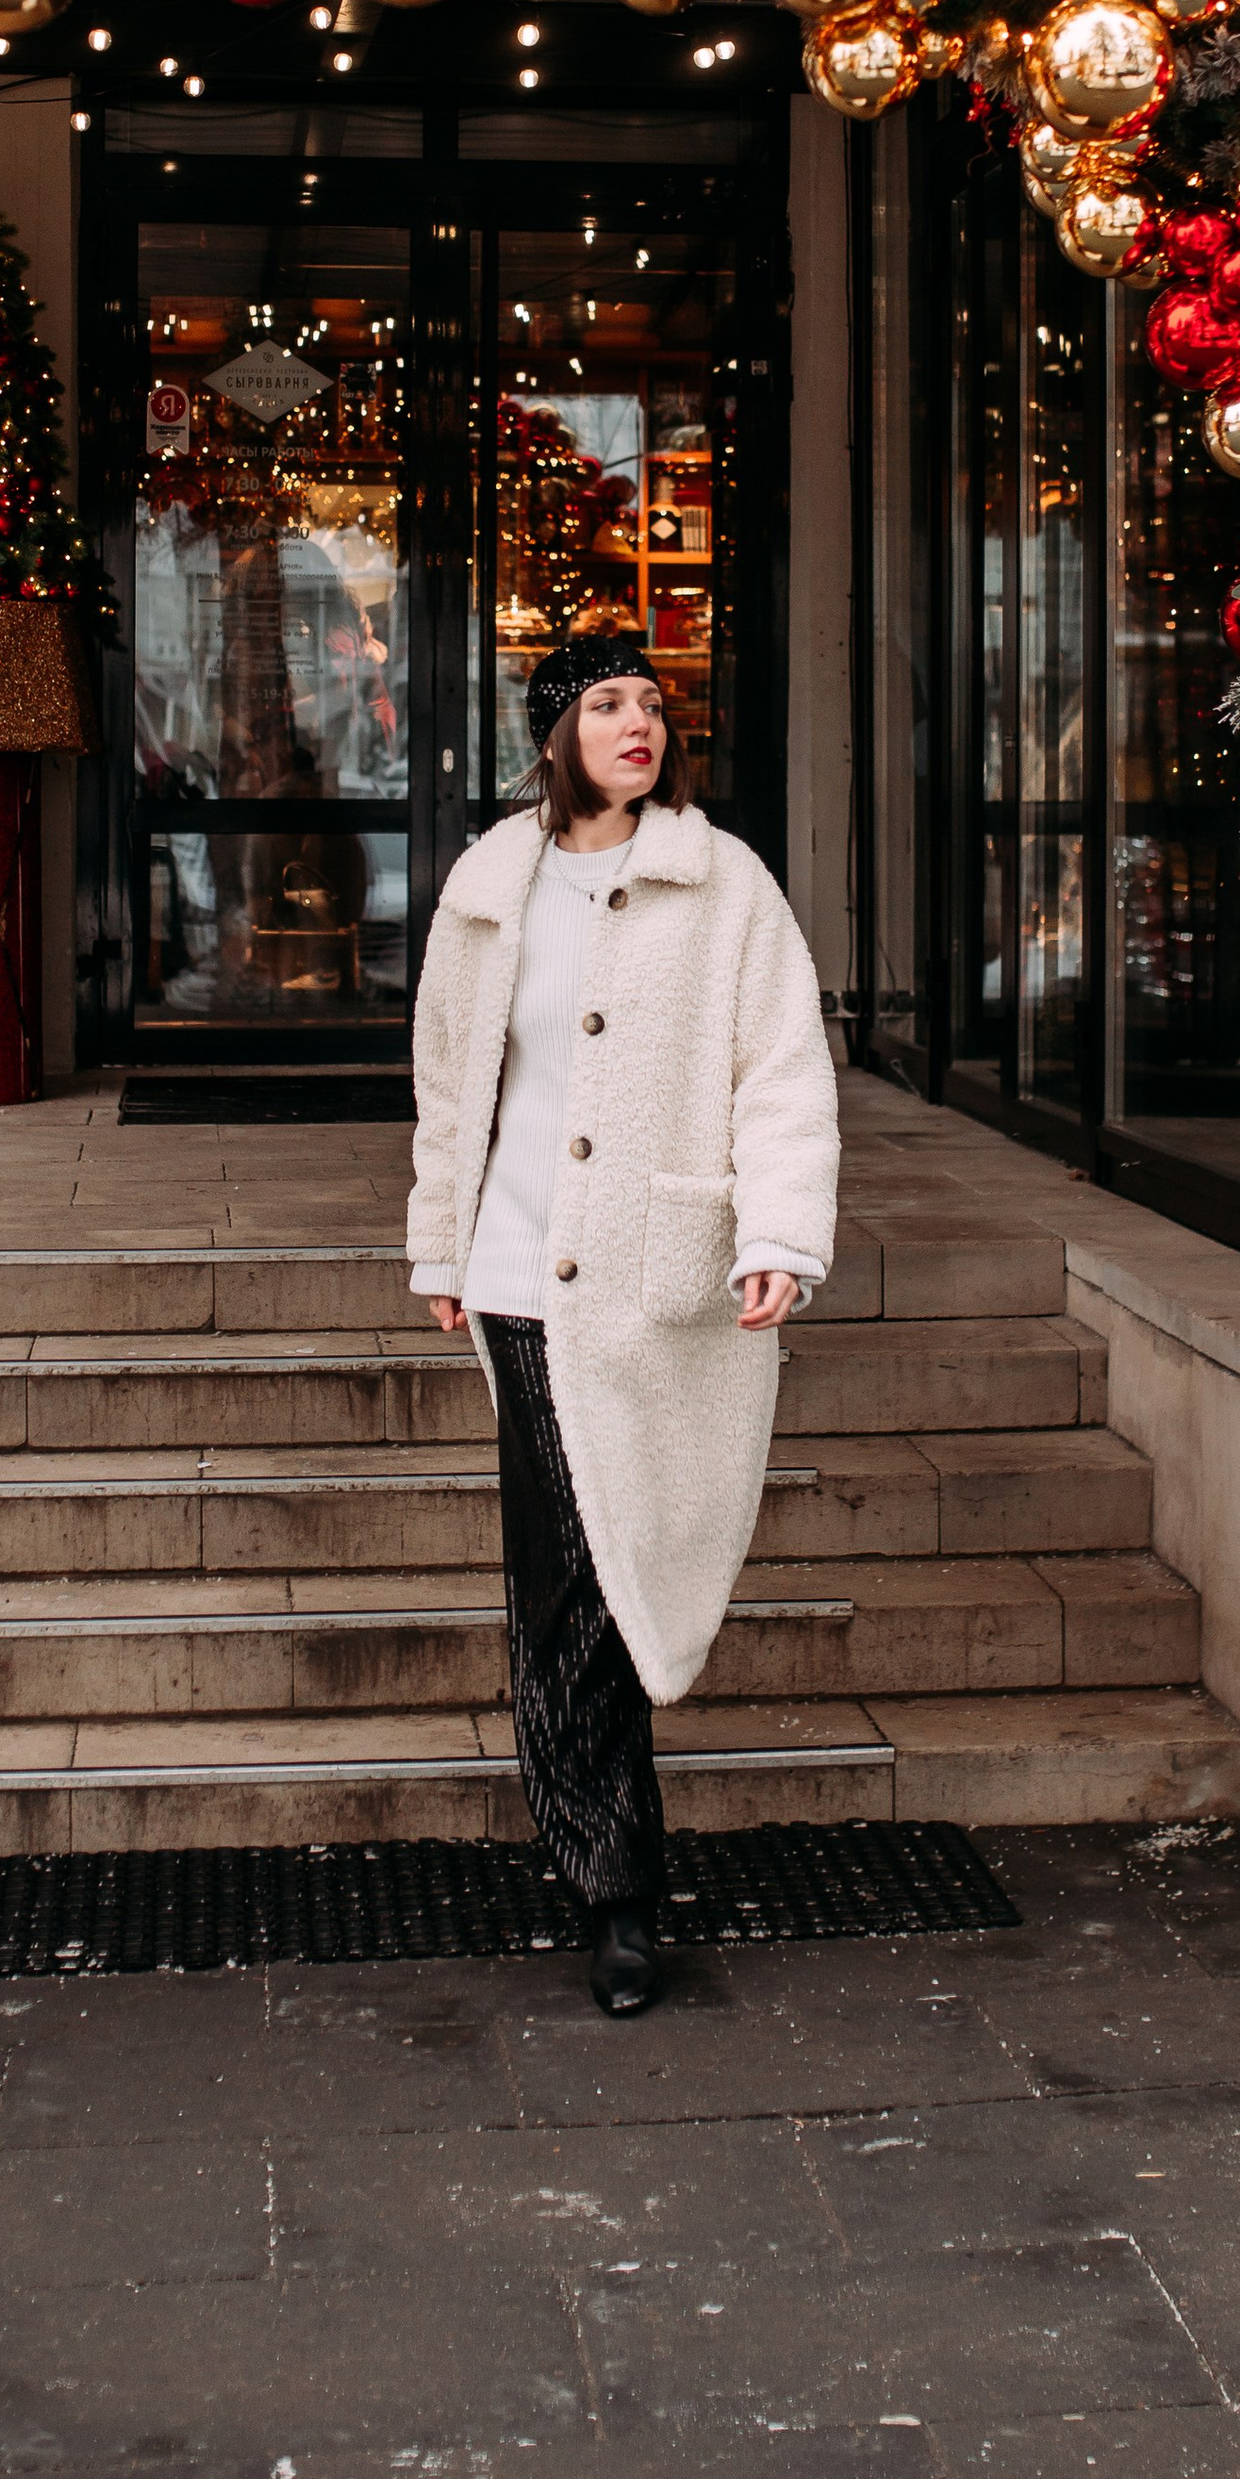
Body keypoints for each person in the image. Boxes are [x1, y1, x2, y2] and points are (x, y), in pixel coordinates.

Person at [407, 635, 840, 2014]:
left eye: (652, 703)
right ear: (555, 730)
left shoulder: (727, 887)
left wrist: (777, 1232)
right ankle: (618, 1883)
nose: (638, 722)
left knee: (614, 1556)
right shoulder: (491, 885)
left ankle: (595, 1840)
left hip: (658, 1274)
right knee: (568, 1573)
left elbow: (781, 1069)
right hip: (526, 1273)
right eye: (607, 703)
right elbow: (446, 1079)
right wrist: (439, 1239)